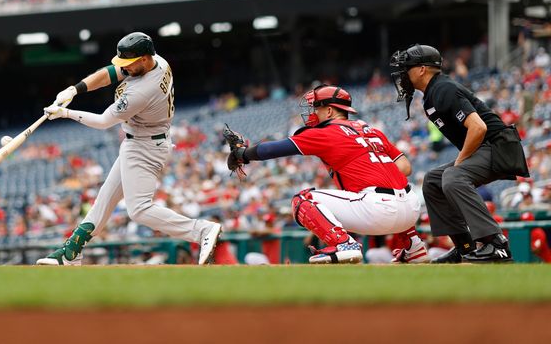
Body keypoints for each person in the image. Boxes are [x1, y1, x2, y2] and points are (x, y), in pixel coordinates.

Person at [21, 32, 221, 265]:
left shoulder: (143, 89)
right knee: (103, 201)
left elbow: (103, 121)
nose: (125, 68)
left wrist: (65, 113)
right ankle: (70, 253)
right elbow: (110, 73)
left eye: (130, 63)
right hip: (140, 141)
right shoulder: (157, 62)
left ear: (145, 58)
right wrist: (75, 90)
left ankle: (202, 230)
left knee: (139, 210)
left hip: (146, 147)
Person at [225, 84, 427, 264]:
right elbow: (406, 167)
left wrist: (243, 154)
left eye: (317, 108)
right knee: (396, 189)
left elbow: (272, 150)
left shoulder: (324, 133)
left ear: (329, 110)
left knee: (303, 200)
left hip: (377, 209)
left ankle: (344, 245)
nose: (313, 113)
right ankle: (413, 246)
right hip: (411, 210)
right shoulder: (370, 129)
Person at [390, 43, 528, 263]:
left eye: (407, 68)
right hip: (488, 146)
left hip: (499, 146)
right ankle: (465, 247)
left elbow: (478, 128)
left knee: (453, 176)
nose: (403, 74)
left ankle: (496, 244)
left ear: (422, 69)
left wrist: (460, 162)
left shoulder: (443, 88)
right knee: (432, 180)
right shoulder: (432, 93)